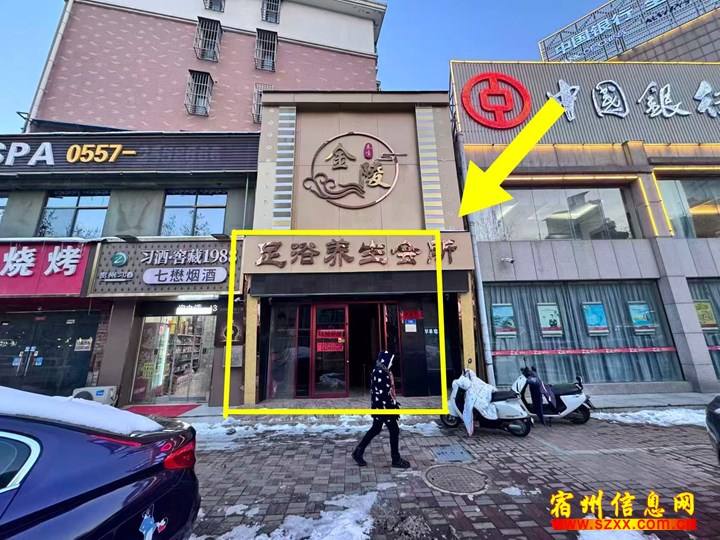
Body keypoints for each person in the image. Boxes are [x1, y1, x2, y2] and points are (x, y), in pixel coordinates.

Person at [351, 350, 410, 468]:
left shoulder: (381, 370)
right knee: (394, 430)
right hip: (384, 407)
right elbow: (383, 393)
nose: (392, 363)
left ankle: (358, 452)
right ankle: (396, 459)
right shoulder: (380, 372)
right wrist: (391, 406)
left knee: (376, 428)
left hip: (379, 406)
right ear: (386, 360)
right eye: (391, 360)